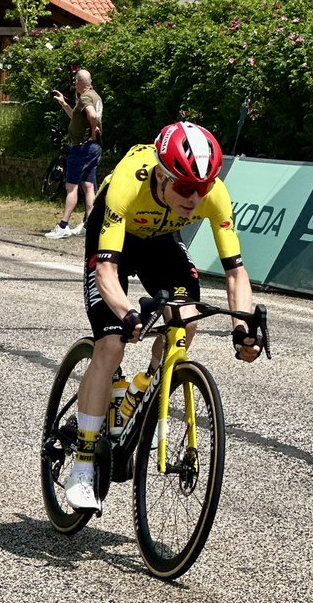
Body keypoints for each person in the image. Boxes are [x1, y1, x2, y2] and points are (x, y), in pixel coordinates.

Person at [64, 120, 262, 511]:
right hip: (114, 243)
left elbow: (236, 271)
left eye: (202, 189)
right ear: (161, 176)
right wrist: (126, 313)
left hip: (160, 243)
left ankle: (145, 392)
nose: (194, 198)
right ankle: (83, 463)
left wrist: (243, 327)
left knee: (187, 318)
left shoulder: (214, 196)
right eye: (186, 188)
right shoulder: (127, 184)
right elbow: (105, 273)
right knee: (111, 345)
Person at [44, 69, 103, 239]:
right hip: (93, 147)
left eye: (75, 81)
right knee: (89, 185)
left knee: (71, 187)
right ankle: (89, 224)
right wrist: (64, 103)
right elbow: (77, 118)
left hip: (82, 148)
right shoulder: (95, 96)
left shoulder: (85, 98)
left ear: (78, 81)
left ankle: (63, 225)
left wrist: (94, 129)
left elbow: (91, 115)